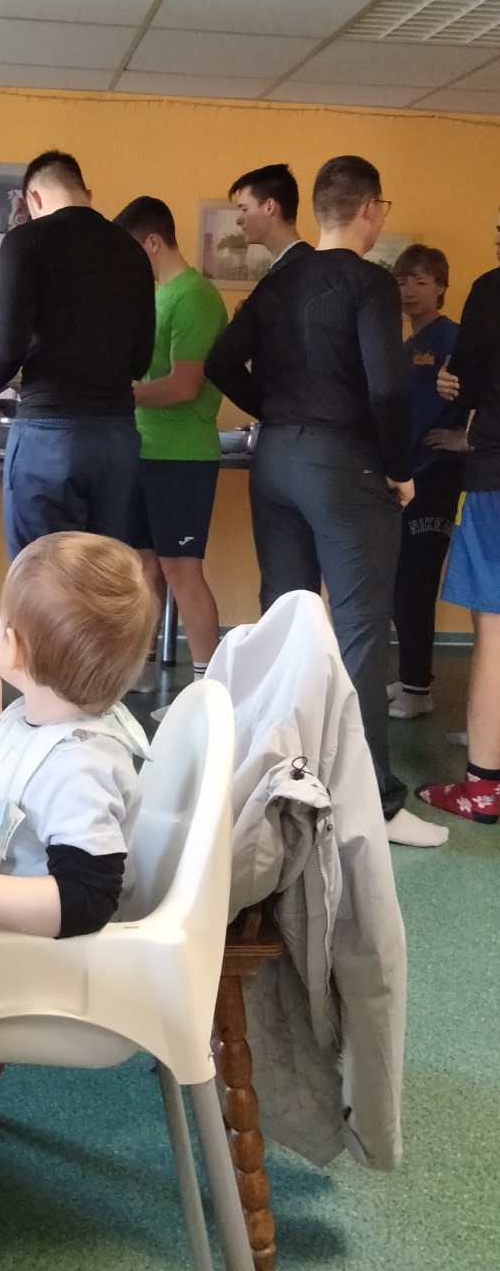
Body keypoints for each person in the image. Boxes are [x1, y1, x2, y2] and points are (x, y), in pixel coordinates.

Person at [206, 154, 447, 848]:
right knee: (361, 631)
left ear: (317, 210)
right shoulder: (369, 282)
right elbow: (389, 388)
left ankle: (277, 783)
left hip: (275, 460)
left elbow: (221, 363)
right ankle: (378, 805)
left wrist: (278, 410)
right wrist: (400, 469)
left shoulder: (280, 280)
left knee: (284, 624)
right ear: (370, 209)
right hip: (344, 466)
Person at [0, 531, 157, 1188]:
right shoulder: (48, 710)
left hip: (23, 949)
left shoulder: (80, 768)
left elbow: (85, 900)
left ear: (19, 648)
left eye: (3, 621)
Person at [0, 150, 156, 557]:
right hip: (116, 441)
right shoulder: (133, 251)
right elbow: (141, 360)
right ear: (86, 193)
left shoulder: (26, 241)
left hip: (50, 438)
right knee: (102, 574)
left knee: (40, 573)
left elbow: (8, 344)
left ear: (32, 199)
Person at [112, 194, 227, 691]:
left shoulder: (195, 296)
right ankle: (134, 673)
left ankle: (208, 688)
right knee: (141, 569)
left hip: (182, 457)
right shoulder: (158, 295)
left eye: (130, 251)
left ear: (153, 242)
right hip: (142, 450)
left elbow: (184, 385)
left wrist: (117, 394)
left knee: (182, 570)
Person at [417, 212, 500, 825]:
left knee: (494, 630)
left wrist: (456, 386)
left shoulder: (492, 289)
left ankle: (484, 787)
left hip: (498, 479)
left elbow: (463, 379)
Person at [388, 246, 467, 718]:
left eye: (420, 281)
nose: (410, 291)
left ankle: (419, 689)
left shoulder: (454, 338)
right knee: (400, 580)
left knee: (416, 580)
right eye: (402, 282)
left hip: (436, 477)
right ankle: (409, 678)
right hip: (404, 477)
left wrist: (467, 438)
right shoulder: (403, 345)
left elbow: (487, 395)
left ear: (440, 286)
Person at [229, 161, 310, 270]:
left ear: (269, 207)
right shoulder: (303, 265)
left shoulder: (297, 271)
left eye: (244, 209)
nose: (238, 220)